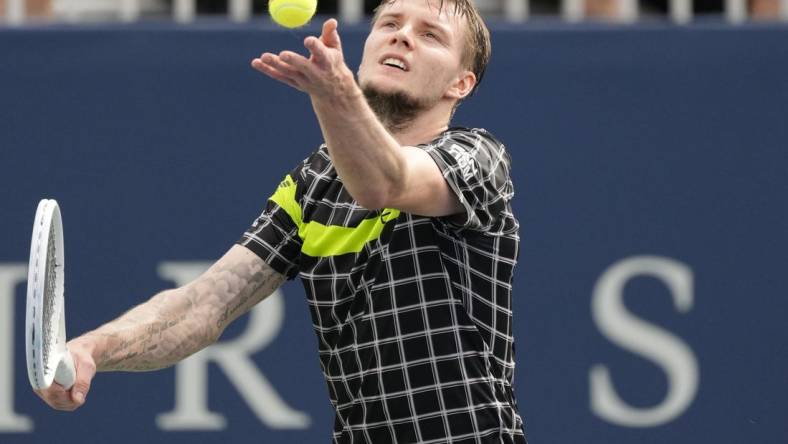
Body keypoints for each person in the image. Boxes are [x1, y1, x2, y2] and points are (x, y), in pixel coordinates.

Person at [35, 0, 526, 441]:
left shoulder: (478, 157)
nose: (401, 36)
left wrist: (336, 97)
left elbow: (385, 185)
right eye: (391, 23)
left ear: (461, 83)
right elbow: (203, 306)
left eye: (429, 34)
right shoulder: (315, 183)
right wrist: (93, 350)